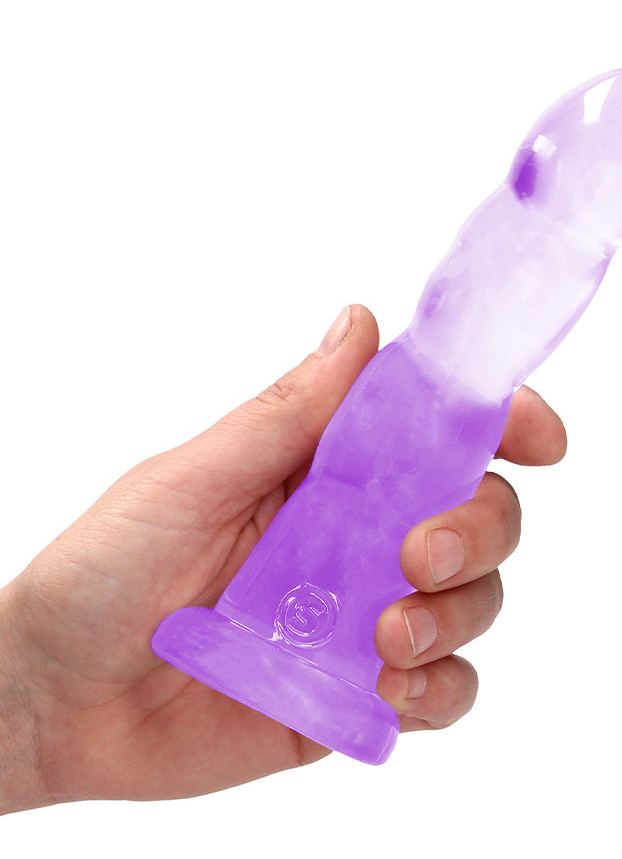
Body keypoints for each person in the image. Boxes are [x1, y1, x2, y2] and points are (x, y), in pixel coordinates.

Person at [0, 305, 566, 815]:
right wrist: (28, 688)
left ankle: (335, 657)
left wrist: (33, 700)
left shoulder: (473, 399)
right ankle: (269, 627)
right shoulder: (411, 369)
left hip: (462, 402)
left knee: (412, 535)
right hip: (411, 388)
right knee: (347, 501)